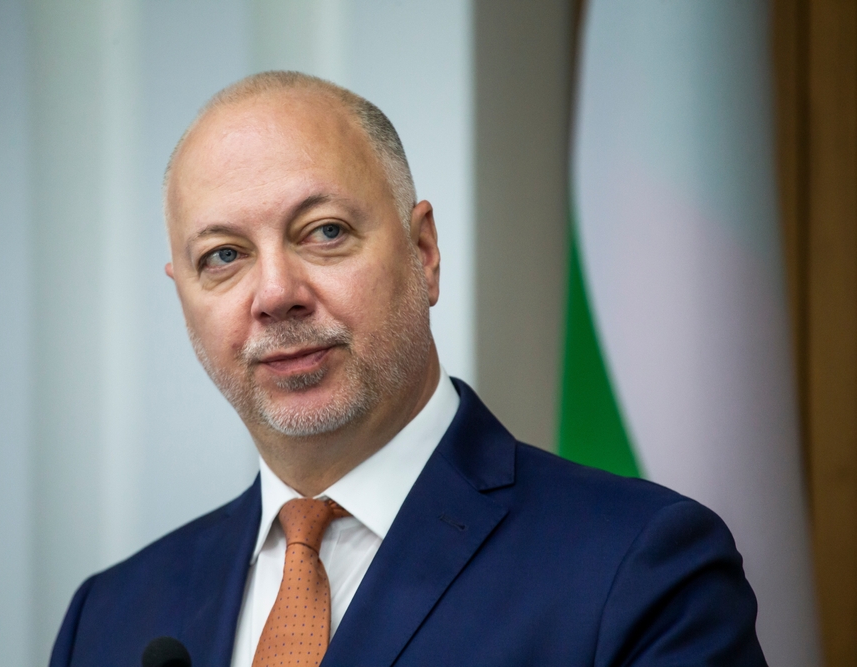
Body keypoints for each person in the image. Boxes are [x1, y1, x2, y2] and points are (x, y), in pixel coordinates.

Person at [49, 71, 767, 667]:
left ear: (423, 252)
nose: (275, 294)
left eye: (324, 232)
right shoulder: (108, 618)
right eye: (224, 256)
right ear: (182, 294)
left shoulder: (639, 568)